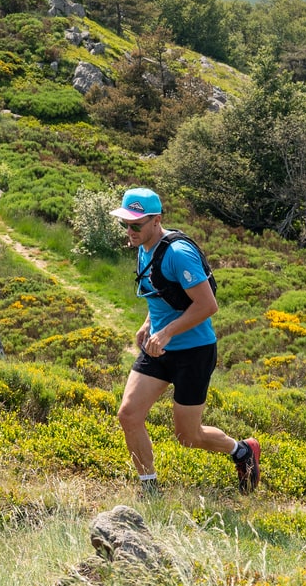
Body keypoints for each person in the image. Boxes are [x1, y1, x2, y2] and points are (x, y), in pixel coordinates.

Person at [110, 186, 261, 495]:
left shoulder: (179, 254)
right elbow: (163, 293)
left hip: (193, 352)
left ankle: (242, 451)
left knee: (188, 436)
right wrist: (149, 323)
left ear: (156, 220)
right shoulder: (142, 245)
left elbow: (207, 306)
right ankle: (149, 490)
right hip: (159, 348)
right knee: (128, 415)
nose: (130, 230)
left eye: (136, 224)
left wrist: (166, 331)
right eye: (125, 223)